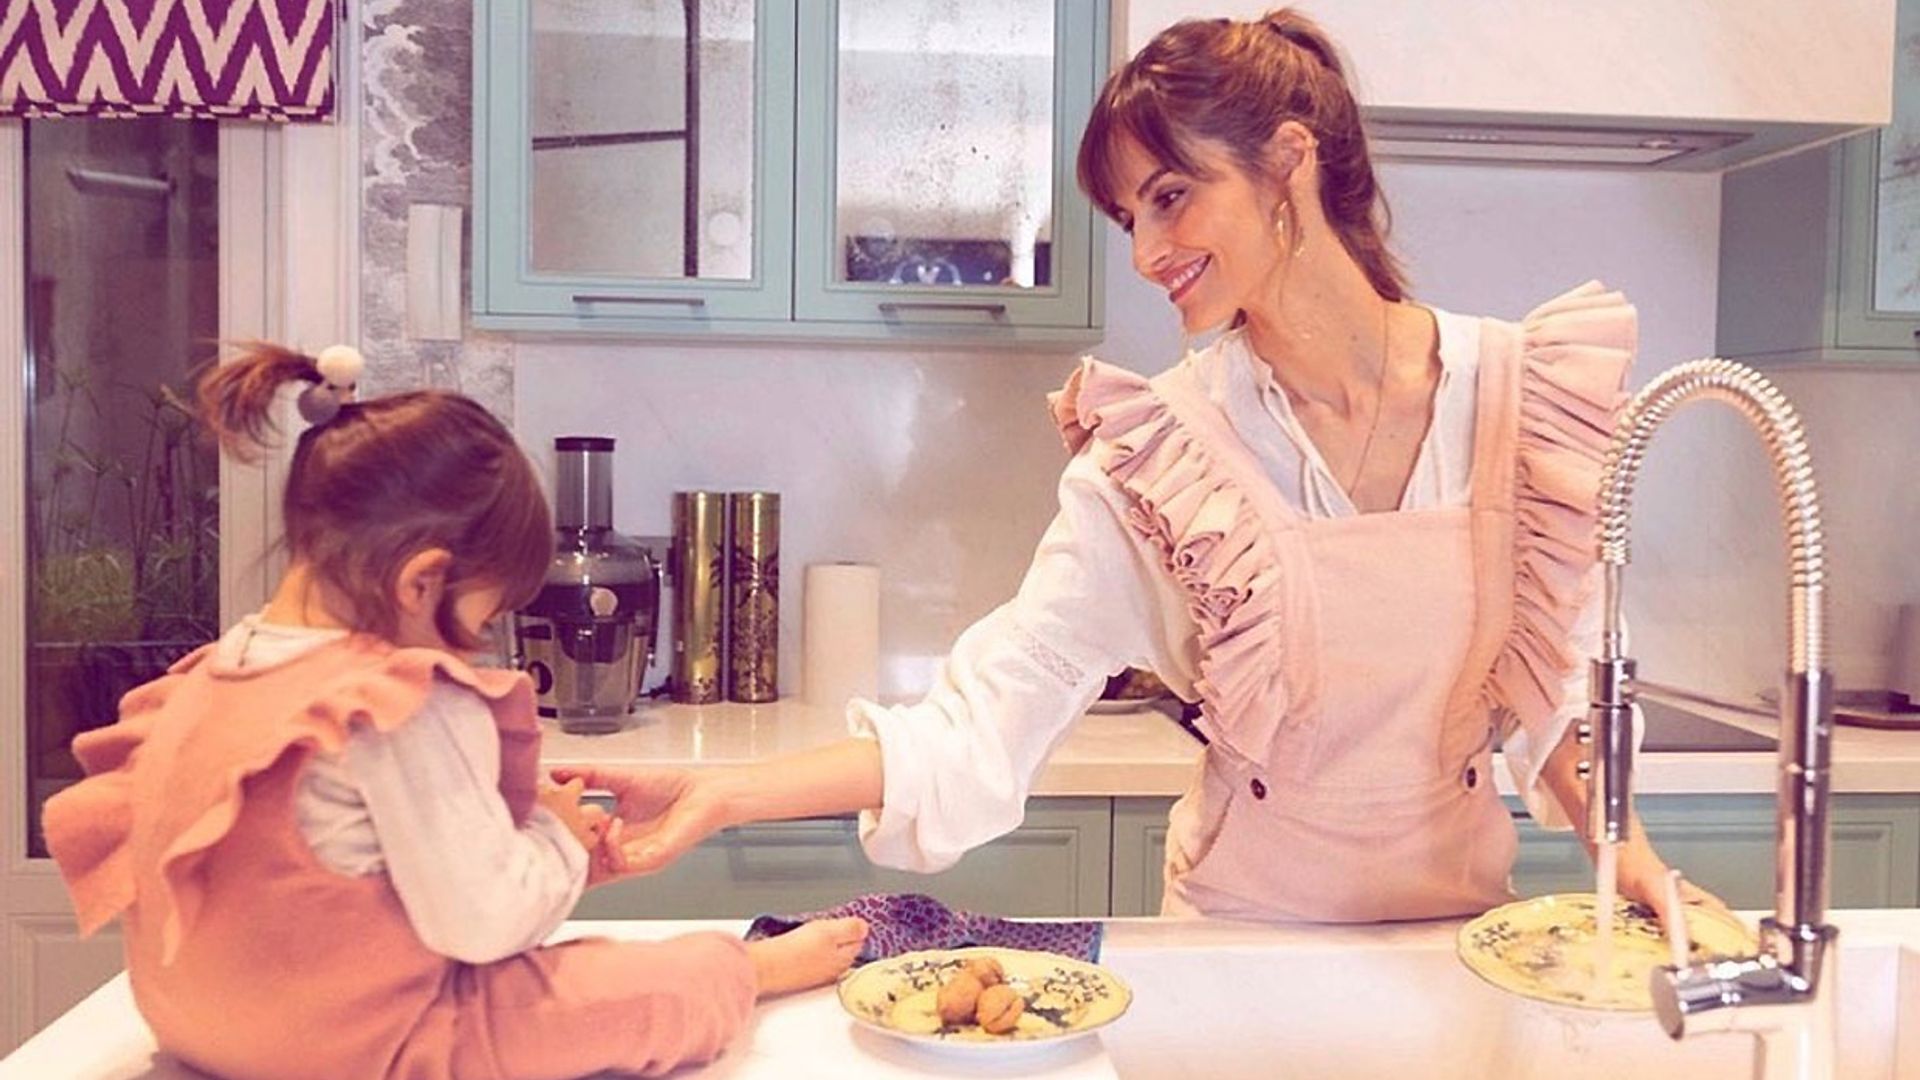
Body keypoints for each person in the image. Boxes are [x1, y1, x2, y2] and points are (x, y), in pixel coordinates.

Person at [568, 10, 1730, 929]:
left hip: (1462, 942)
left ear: (1289, 162)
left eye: (1172, 196)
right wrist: (728, 792)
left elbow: (1551, 699)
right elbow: (987, 716)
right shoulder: (1159, 456)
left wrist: (1628, 856)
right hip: (1242, 949)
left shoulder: (1516, 399)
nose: (1147, 251)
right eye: (1131, 215)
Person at [41, 342, 867, 1080]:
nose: (474, 651)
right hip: (359, 1050)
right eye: (479, 623)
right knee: (642, 978)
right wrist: (557, 839)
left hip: (203, 1032)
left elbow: (326, 884)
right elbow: (487, 926)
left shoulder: (204, 682)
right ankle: (753, 971)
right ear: (419, 582)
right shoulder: (395, 703)